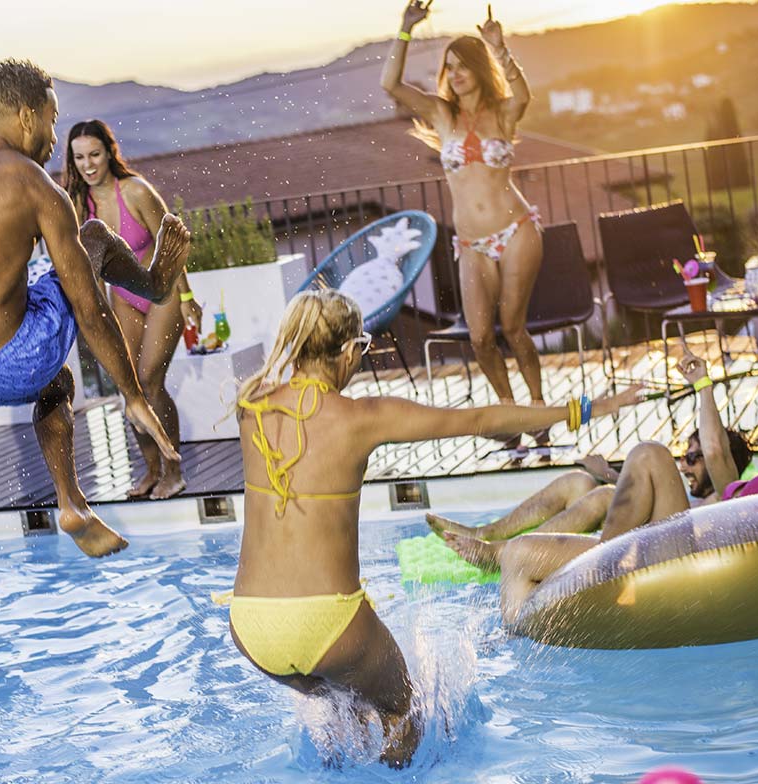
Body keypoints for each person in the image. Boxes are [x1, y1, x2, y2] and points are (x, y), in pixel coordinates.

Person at [220, 289, 641, 767]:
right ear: (347, 352)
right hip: (328, 627)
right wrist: (587, 409)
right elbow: (480, 418)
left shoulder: (251, 405)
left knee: (346, 704)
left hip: (252, 628)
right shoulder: (361, 418)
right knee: (403, 709)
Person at [0, 60, 191, 557]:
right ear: (27, 116)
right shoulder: (34, 184)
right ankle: (157, 283)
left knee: (57, 383)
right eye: (51, 120)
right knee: (92, 239)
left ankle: (72, 505)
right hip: (15, 362)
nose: (53, 138)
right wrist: (133, 395)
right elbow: (89, 308)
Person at [462, 244, 758, 625]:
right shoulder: (755, 484)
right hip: (686, 549)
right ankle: (524, 635)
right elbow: (715, 452)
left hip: (698, 568)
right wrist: (703, 383)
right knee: (519, 554)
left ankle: (599, 566)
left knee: (648, 454)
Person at [382, 1, 548, 447]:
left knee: (512, 327)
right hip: (471, 242)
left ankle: (538, 409)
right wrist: (405, 29)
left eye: (461, 66)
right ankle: (510, 419)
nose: (454, 74)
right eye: (448, 67)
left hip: (516, 231)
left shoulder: (503, 113)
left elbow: (523, 93)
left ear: (478, 68)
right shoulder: (442, 114)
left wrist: (499, 47)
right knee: (479, 338)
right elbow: (391, 84)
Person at [432, 340, 755, 568]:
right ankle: (486, 532)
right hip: (653, 540)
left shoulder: (730, 496)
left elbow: (715, 451)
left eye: (694, 459)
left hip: (674, 561)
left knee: (613, 486)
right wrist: (611, 475)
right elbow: (663, 507)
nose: (683, 465)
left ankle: (499, 554)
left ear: (725, 466)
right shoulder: (694, 500)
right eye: (684, 455)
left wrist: (704, 384)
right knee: (579, 482)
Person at [63, 120, 201, 499]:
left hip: (162, 293)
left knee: (150, 380)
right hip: (122, 297)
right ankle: (151, 471)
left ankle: (173, 471)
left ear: (109, 152)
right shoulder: (78, 204)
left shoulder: (136, 192)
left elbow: (173, 246)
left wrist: (188, 301)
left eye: (94, 154)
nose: (88, 165)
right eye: (79, 158)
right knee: (132, 386)